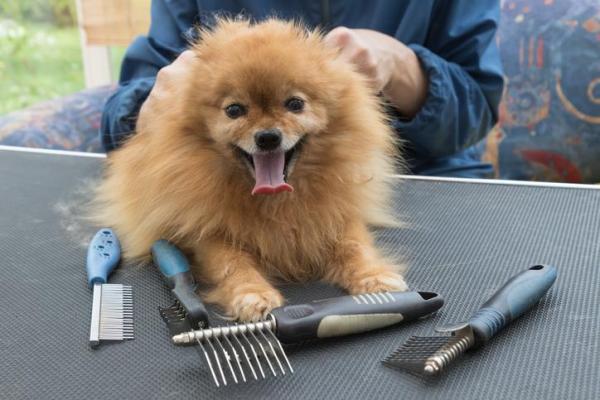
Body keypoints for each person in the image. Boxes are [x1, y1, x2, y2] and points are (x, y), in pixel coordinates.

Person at [101, 0, 504, 178]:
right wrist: (146, 110)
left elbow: (478, 110)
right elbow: (124, 113)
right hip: (231, 199)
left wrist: (402, 67)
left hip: (424, 182)